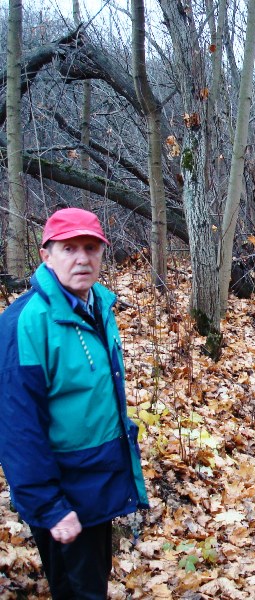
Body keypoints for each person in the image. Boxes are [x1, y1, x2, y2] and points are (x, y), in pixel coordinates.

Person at [0, 207, 148, 599]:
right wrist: (49, 506)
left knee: (93, 584)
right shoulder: (26, 323)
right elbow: (16, 427)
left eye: (91, 247)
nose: (82, 258)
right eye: (69, 248)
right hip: (63, 490)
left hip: (97, 480)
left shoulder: (97, 305)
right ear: (46, 255)